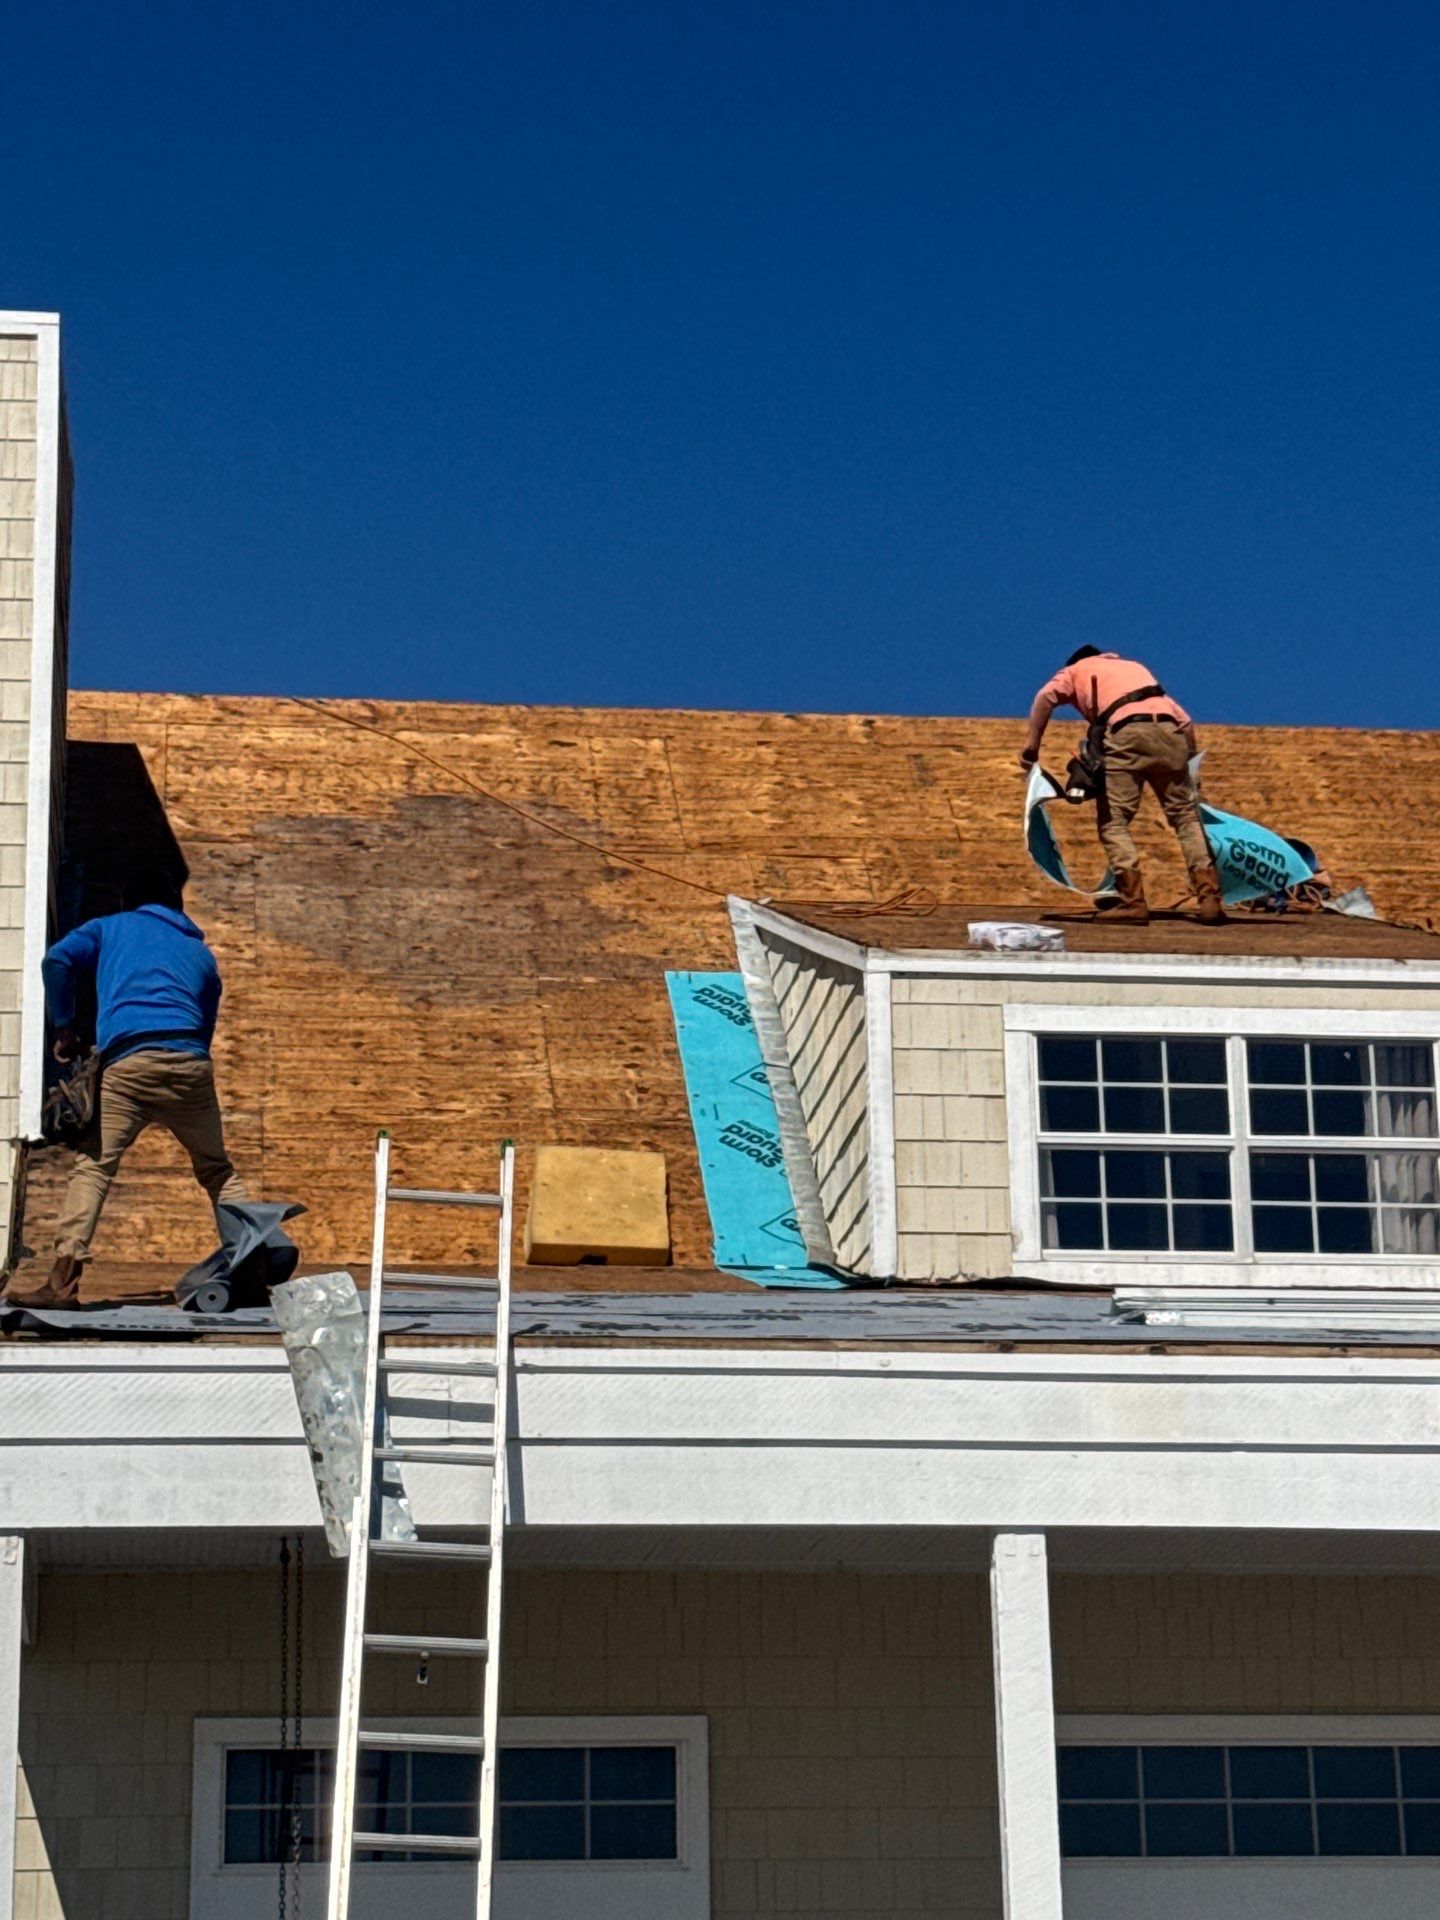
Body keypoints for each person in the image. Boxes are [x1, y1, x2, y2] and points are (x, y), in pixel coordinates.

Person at [2, 869, 247, 1307]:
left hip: (129, 1066)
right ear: (177, 908)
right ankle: (251, 1261)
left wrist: (64, 1026)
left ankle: (62, 1285)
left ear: (128, 902)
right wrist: (183, 1055)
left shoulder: (110, 927)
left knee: (95, 1168)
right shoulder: (200, 953)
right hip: (190, 1064)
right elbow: (207, 1018)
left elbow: (57, 960)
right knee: (218, 1171)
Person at [1018, 645, 1225, 925]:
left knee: (1114, 822)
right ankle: (1210, 900)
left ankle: (1132, 903)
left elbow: (1045, 697)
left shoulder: (1075, 670)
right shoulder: (1134, 668)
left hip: (1127, 733)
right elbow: (1186, 722)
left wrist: (1032, 747)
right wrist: (1187, 767)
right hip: (1171, 733)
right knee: (1185, 818)